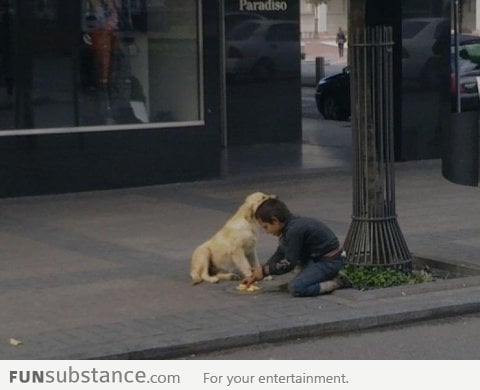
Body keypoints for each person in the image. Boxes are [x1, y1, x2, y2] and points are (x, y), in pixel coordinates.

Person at [243, 197, 351, 297]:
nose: (266, 232)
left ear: (275, 221)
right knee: (295, 270)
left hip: (329, 262)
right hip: (317, 259)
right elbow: (281, 252)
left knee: (297, 288)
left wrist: (265, 271)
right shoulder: (290, 226)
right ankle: (316, 276)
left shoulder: (293, 231)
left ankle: (336, 282)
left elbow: (288, 263)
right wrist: (262, 271)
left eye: (266, 227)